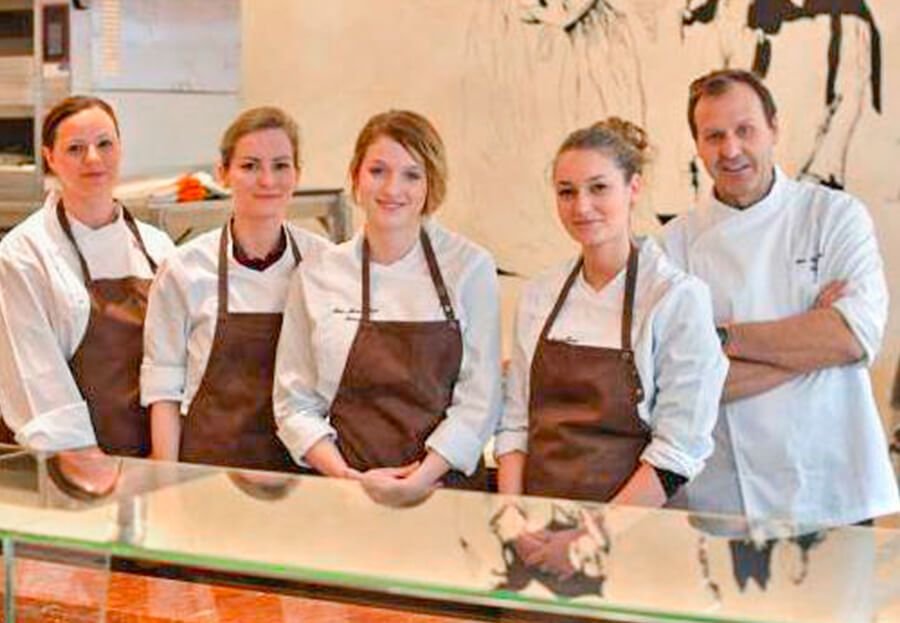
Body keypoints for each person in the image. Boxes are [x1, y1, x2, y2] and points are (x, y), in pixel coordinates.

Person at [662, 69, 899, 529]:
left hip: (832, 489)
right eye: (714, 136)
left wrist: (717, 339)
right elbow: (676, 386)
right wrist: (809, 339)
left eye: (745, 130)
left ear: (774, 128)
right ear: (697, 145)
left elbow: (852, 337)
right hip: (726, 502)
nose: (731, 150)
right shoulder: (671, 247)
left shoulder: (834, 216)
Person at [273, 110, 502, 506]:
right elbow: (294, 403)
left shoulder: (469, 268)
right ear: (356, 177)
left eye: (412, 174)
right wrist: (346, 477)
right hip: (346, 495)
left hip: (445, 494)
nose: (393, 187)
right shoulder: (317, 274)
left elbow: (481, 400)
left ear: (432, 184)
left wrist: (421, 477)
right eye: (378, 170)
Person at [495, 119, 726, 508]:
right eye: (566, 192)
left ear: (633, 188)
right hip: (539, 521)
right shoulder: (540, 295)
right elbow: (515, 425)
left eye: (599, 188)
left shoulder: (675, 298)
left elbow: (677, 452)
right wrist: (514, 517)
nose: (581, 206)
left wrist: (588, 538)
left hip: (635, 532)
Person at [141, 107, 331, 471]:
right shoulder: (185, 268)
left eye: (280, 165)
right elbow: (163, 384)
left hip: (302, 474)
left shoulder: (324, 264)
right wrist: (165, 477)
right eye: (249, 166)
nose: (267, 180)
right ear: (223, 174)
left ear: (297, 175)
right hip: (208, 469)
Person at [0, 95, 174, 455]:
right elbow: (33, 377)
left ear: (120, 149)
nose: (93, 159)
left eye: (104, 144)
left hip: (153, 459)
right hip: (62, 462)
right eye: (75, 148)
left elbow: (176, 366)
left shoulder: (159, 248)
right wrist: (88, 463)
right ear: (50, 158)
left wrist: (165, 461)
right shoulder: (23, 255)